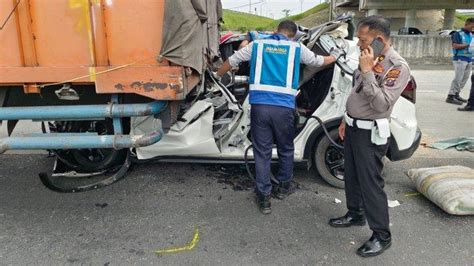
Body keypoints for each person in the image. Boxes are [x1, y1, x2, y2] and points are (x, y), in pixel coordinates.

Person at [215, 20, 342, 214]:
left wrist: (216, 78)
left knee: (262, 151)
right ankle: (283, 187)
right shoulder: (297, 48)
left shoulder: (258, 45)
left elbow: (232, 61)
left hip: (260, 108)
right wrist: (334, 55)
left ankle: (264, 197)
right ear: (293, 35)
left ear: (275, 31)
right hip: (284, 109)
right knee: (285, 148)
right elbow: (318, 61)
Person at [328, 16, 411, 257]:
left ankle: (382, 235)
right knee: (351, 174)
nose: (357, 44)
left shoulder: (397, 67)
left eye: (362, 39)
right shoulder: (370, 57)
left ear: (379, 39)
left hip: (370, 132)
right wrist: (346, 118)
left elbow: (381, 103)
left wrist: (367, 72)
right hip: (353, 127)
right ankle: (355, 213)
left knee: (370, 183)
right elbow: (357, 92)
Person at [446, 18, 474, 105]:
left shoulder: (471, 34)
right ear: (466, 24)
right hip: (460, 59)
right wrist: (467, 45)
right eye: (472, 26)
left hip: (469, 59)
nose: (473, 28)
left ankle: (456, 94)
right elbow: (455, 45)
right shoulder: (457, 33)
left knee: (464, 78)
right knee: (458, 78)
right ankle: (450, 96)